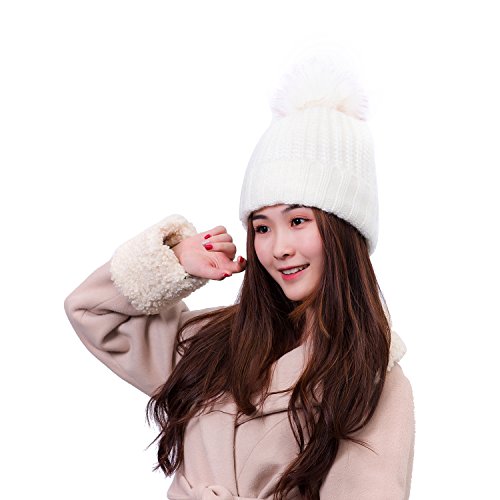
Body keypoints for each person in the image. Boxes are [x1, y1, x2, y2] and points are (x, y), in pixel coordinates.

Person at [64, 54, 415, 500]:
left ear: (344, 232)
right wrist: (175, 261)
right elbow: (92, 312)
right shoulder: (209, 343)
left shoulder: (371, 378)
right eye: (262, 227)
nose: (278, 247)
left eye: (299, 221)